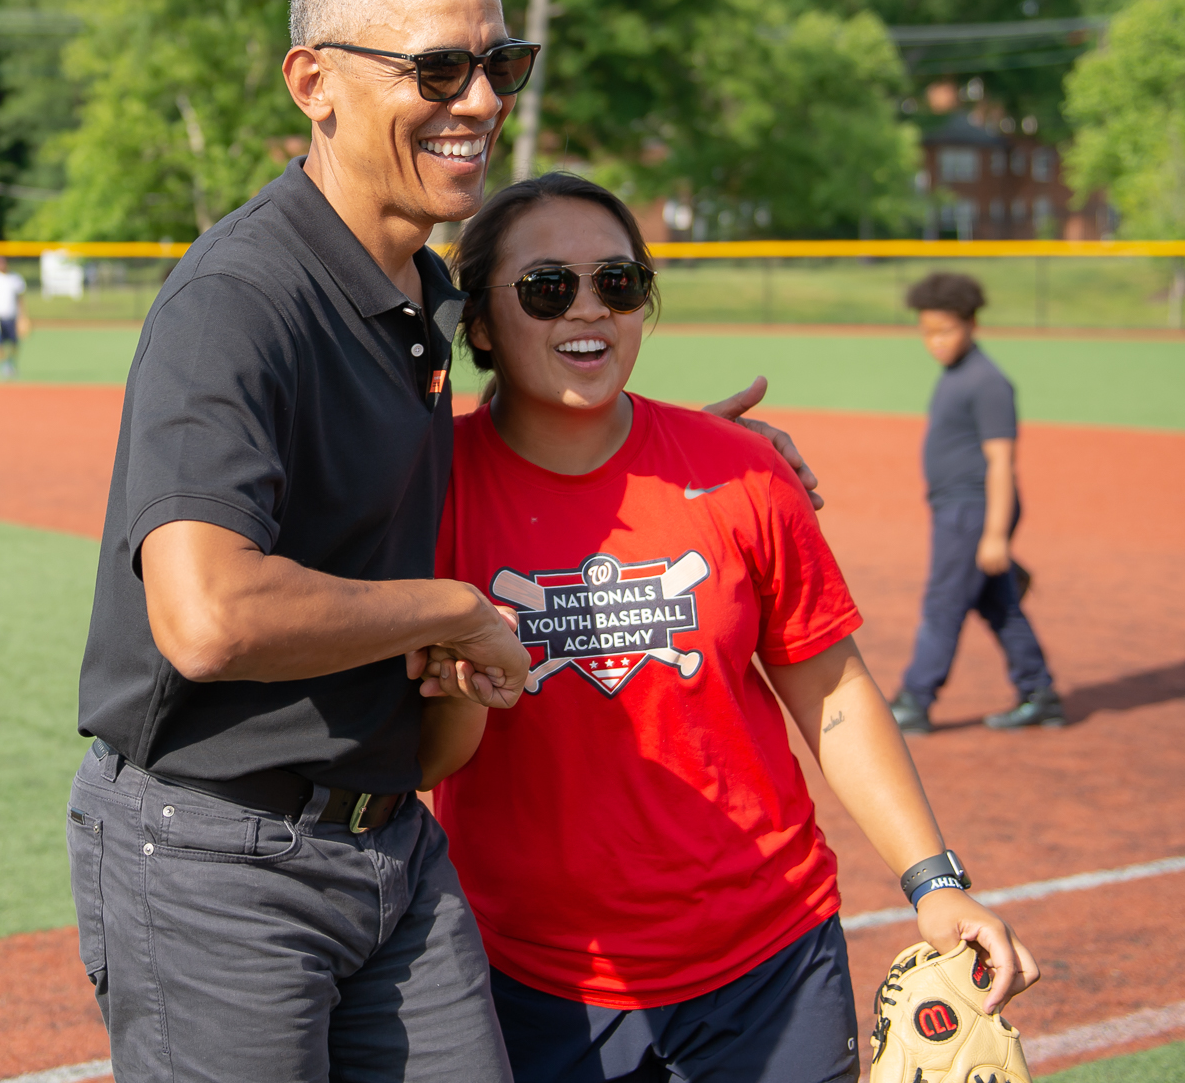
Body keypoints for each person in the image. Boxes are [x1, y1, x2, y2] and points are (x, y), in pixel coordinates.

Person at [67, 0, 818, 1083]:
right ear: (314, 83)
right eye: (436, 70)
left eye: (498, 66)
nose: (479, 101)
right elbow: (206, 616)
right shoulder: (241, 299)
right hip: (219, 854)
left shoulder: (417, 285)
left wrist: (681, 459)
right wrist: (452, 612)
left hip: (393, 844)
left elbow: (510, 434)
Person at [420, 176, 1038, 1083]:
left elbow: (832, 690)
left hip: (769, 964)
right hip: (537, 979)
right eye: (547, 287)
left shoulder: (739, 470)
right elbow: (424, 756)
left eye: (619, 284)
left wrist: (934, 881)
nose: (588, 309)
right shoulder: (431, 493)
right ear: (479, 323)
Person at [888, 272, 1062, 734]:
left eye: (945, 330)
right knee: (997, 603)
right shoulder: (958, 374)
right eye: (927, 332)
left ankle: (914, 700)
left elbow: (1002, 463)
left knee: (944, 602)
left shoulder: (988, 382)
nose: (935, 342)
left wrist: (995, 535)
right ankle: (1039, 692)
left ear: (971, 323)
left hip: (973, 510)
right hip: (963, 510)